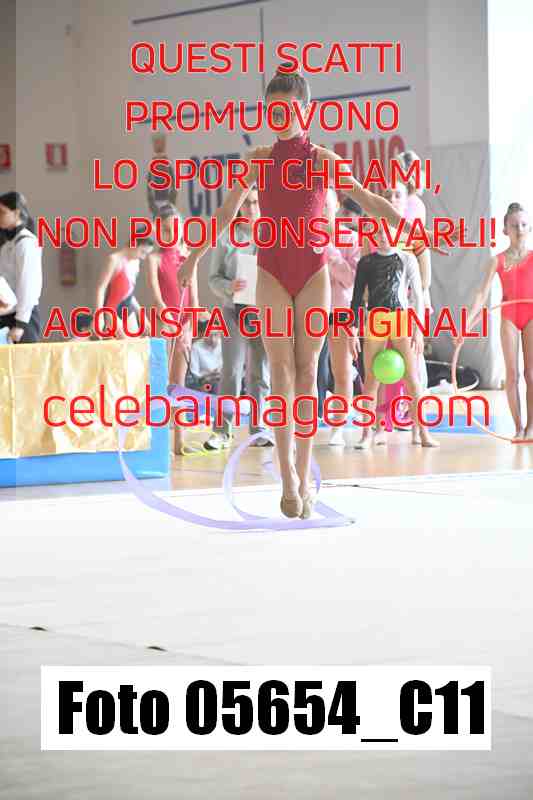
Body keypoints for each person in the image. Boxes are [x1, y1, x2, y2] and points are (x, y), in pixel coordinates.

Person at [179, 64, 447, 518]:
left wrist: (412, 231)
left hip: (312, 272)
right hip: (271, 271)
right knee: (281, 373)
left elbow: (368, 199)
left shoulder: (323, 160)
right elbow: (224, 214)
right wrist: (193, 258)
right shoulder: (258, 159)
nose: (279, 117)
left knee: (306, 375)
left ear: (306, 111)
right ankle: (286, 475)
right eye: (272, 110)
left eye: (287, 109)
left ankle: (304, 474)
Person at [351, 219, 439, 450]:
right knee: (371, 380)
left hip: (400, 319)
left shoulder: (406, 258)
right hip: (376, 320)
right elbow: (357, 298)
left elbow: (417, 296)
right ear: (373, 235)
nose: (382, 236)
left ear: (397, 234)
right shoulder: (366, 262)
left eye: (387, 231)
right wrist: (353, 329)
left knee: (412, 379)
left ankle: (423, 432)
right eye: (378, 232)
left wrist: (418, 329)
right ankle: (367, 433)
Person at [204, 188, 272, 450]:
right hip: (233, 311)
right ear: (239, 207)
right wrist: (229, 286)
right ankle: (222, 431)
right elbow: (213, 279)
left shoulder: (271, 236)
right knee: (231, 371)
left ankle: (259, 428)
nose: (251, 208)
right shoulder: (226, 237)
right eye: (247, 204)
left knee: (260, 372)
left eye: (256, 203)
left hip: (262, 312)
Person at [463, 202, 533, 439]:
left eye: (523, 224)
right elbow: (481, 294)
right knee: (512, 375)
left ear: (530, 228)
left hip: (531, 315)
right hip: (510, 317)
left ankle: (531, 426)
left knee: (531, 374)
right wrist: (467, 324)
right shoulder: (498, 260)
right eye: (514, 225)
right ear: (505, 230)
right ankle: (519, 427)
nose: (519, 229)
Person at [146, 204, 199, 455]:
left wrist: (187, 327)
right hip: (163, 323)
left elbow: (194, 301)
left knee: (179, 383)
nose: (170, 234)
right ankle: (159, 443)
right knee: (160, 381)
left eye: (174, 229)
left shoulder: (189, 257)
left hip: (183, 325)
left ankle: (179, 441)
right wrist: (167, 320)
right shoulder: (153, 259)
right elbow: (157, 297)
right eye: (165, 229)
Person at [323, 188, 361, 446]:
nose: (321, 211)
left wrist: (330, 253)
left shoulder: (351, 239)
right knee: (304, 369)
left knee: (342, 370)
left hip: (340, 311)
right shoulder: (302, 238)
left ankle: (338, 425)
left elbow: (352, 280)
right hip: (310, 310)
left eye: (326, 205)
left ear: (336, 205)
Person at [0, 191, 43, 343]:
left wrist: (20, 324)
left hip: (23, 319)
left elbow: (28, 286)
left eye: (2, 212)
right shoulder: (7, 245)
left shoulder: (26, 242)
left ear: (16, 213)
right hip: (6, 315)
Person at [94, 239, 155, 337]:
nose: (143, 257)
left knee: (134, 342)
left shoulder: (136, 262)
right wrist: (99, 317)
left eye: (146, 254)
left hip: (127, 307)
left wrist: (142, 315)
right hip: (112, 308)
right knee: (123, 341)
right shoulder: (114, 260)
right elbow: (101, 288)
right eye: (142, 252)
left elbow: (128, 293)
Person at [146, 132, 178, 219]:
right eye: (156, 142)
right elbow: (149, 187)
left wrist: (171, 202)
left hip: (166, 201)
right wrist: (152, 205)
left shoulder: (168, 165)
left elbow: (174, 185)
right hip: (156, 201)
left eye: (160, 142)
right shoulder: (152, 165)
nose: (158, 145)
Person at [187, 322, 222, 393]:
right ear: (203, 334)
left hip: (222, 378)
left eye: (215, 335)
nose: (213, 339)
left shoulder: (224, 345)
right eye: (209, 335)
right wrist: (209, 376)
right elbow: (194, 372)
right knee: (214, 386)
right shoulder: (196, 347)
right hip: (203, 380)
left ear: (220, 334)